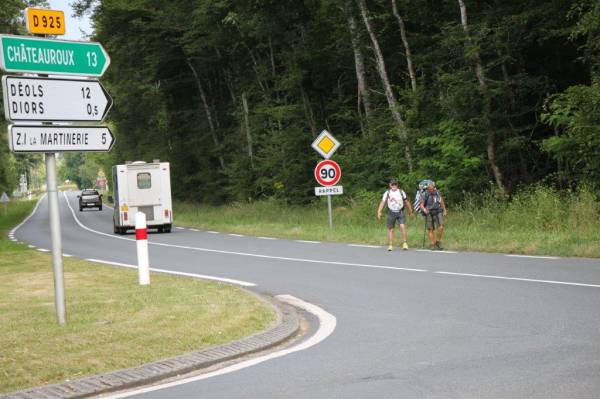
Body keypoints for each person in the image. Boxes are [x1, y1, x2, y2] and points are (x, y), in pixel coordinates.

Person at [377, 178, 413, 251]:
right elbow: (383, 202)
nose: (394, 185)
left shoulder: (401, 192)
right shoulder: (387, 193)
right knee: (391, 229)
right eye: (392, 184)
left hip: (400, 211)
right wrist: (379, 211)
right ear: (390, 185)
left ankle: (405, 243)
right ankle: (390, 245)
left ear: (397, 185)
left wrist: (410, 212)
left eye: (395, 184)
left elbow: (406, 202)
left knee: (402, 226)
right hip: (391, 212)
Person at [419, 181, 447, 250]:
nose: (432, 190)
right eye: (430, 189)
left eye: (433, 189)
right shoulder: (425, 194)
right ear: (428, 189)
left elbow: (441, 201)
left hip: (438, 211)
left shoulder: (437, 192)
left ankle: (438, 241)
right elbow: (421, 205)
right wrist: (425, 210)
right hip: (429, 212)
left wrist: (444, 209)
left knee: (441, 227)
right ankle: (432, 244)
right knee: (430, 229)